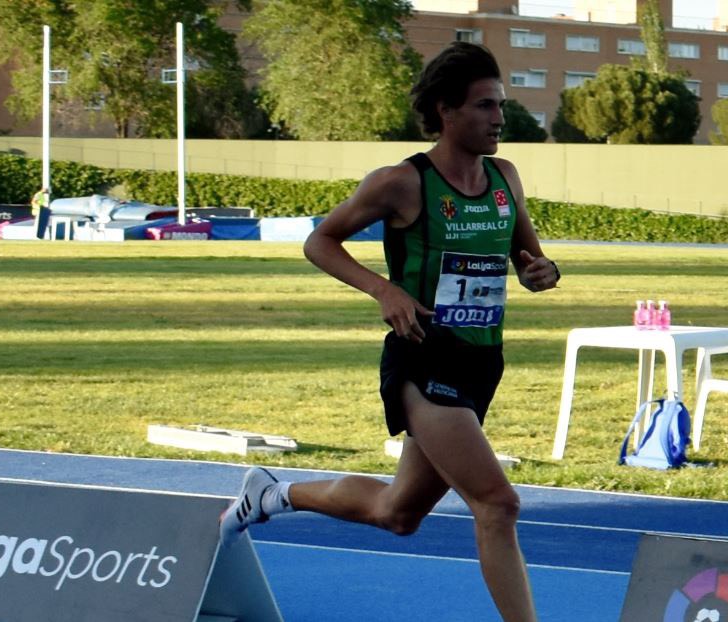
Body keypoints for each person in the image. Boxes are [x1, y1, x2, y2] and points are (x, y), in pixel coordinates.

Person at [220, 41, 558, 622]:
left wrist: (539, 271)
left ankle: (273, 494)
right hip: (424, 359)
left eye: (500, 105)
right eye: (483, 106)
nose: (498, 118)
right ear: (446, 111)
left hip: (483, 362)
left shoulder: (505, 177)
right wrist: (385, 289)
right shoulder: (402, 182)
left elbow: (530, 261)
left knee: (397, 513)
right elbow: (318, 241)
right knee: (498, 505)